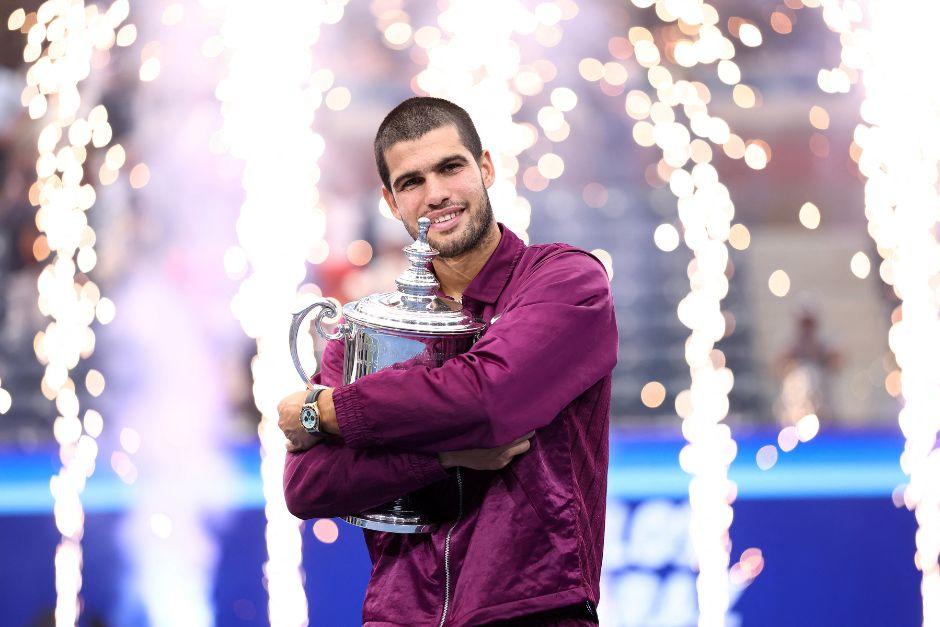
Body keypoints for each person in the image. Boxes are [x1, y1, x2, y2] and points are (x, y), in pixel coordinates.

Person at [278, 97, 618, 626]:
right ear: (392, 202)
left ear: (485, 167)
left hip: (531, 611)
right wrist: (441, 459)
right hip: (396, 615)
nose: (435, 194)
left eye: (450, 167)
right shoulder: (375, 326)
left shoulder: (565, 281)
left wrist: (324, 412)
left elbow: (486, 399)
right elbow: (307, 484)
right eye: (411, 182)